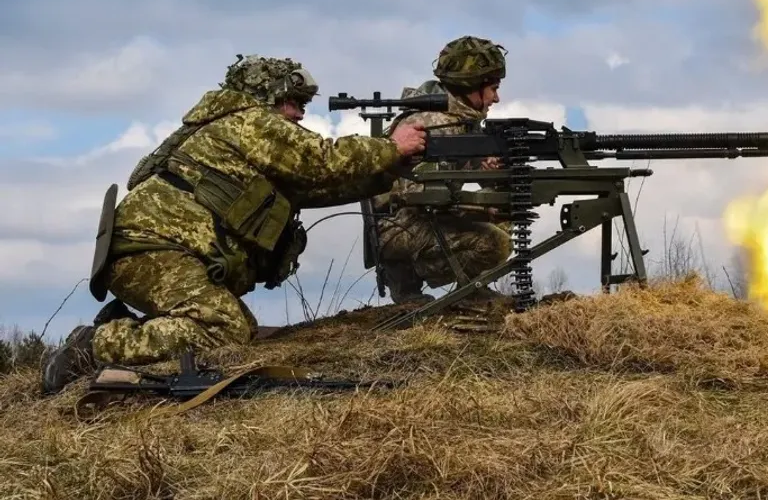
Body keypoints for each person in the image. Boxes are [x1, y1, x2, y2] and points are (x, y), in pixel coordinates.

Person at [41, 54, 426, 394]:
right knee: (222, 329)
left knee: (239, 325)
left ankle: (124, 327)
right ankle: (94, 346)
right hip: (152, 249)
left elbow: (319, 186)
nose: (299, 113)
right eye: (292, 102)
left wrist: (389, 169)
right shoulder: (250, 123)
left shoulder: (241, 131)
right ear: (267, 97)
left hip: (157, 251)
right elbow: (322, 160)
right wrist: (392, 146)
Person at [370, 35, 512, 304]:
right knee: (497, 242)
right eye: (493, 88)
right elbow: (418, 198)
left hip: (408, 223)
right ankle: (454, 289)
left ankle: (428, 287)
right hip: (402, 228)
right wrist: (483, 209)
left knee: (505, 207)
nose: (497, 98)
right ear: (472, 86)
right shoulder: (434, 125)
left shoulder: (458, 120)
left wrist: (489, 172)